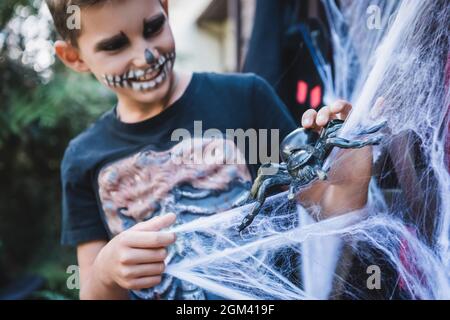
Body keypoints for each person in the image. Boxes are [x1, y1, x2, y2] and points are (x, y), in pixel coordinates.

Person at [46, 0, 373, 300]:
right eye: (115, 45)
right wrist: (105, 273)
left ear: (165, 6)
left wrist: (348, 183)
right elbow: (92, 290)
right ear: (74, 57)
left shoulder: (247, 98)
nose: (145, 56)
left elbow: (331, 210)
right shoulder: (82, 158)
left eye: (153, 28)